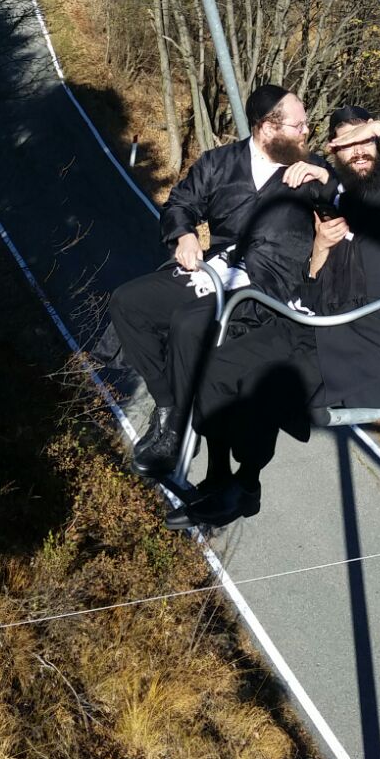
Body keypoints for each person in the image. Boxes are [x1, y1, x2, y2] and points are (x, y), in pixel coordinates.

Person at [165, 107, 380, 530]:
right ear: (336, 155)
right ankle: (217, 472)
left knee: (267, 383)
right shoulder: (342, 203)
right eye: (346, 146)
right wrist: (319, 253)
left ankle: (246, 482)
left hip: (373, 341)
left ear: (378, 147)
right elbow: (316, 283)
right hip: (320, 324)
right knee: (216, 364)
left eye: (365, 142)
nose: (359, 151)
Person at [109, 83, 322, 477]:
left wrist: (326, 176)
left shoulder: (310, 174)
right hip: (217, 271)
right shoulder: (220, 164)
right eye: (299, 126)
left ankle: (177, 438)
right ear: (267, 127)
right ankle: (169, 407)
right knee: (128, 301)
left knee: (189, 324)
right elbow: (181, 204)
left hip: (266, 288)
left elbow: (353, 201)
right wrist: (185, 234)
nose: (307, 132)